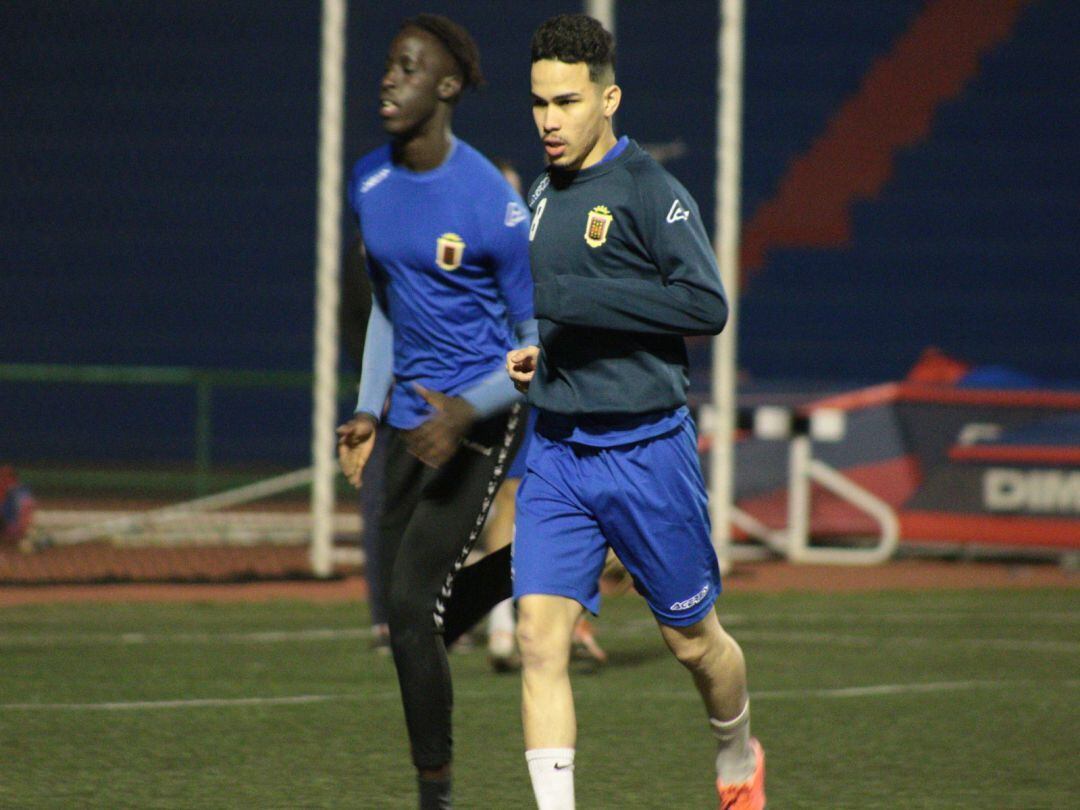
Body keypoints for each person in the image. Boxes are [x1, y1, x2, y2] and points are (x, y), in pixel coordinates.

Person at [506, 14, 765, 809]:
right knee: (536, 642)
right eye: (540, 102)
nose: (551, 120)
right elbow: (560, 313)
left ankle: (736, 752)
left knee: (693, 644)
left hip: (646, 452)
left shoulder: (653, 191)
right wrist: (540, 352)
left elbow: (706, 303)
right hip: (555, 452)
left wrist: (576, 302)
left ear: (608, 98)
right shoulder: (544, 193)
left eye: (569, 102)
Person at [335, 15, 535, 810]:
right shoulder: (371, 185)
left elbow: (535, 344)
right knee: (417, 624)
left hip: (481, 419)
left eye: (410, 68)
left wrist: (468, 409)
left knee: (415, 607)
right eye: (389, 65)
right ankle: (556, 556)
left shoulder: (493, 200)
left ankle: (435, 798)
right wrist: (366, 409)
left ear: (447, 87)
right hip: (413, 424)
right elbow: (387, 303)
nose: (390, 79)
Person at [482, 159, 606, 672]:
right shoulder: (480, 251)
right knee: (508, 498)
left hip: (552, 384)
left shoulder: (543, 234)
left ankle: (566, 616)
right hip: (499, 387)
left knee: (580, 497)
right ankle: (499, 625)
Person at [339, 235, 391, 652]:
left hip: (438, 402)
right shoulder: (363, 260)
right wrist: (370, 403)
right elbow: (363, 324)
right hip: (386, 408)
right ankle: (384, 619)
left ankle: (442, 613)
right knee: (378, 508)